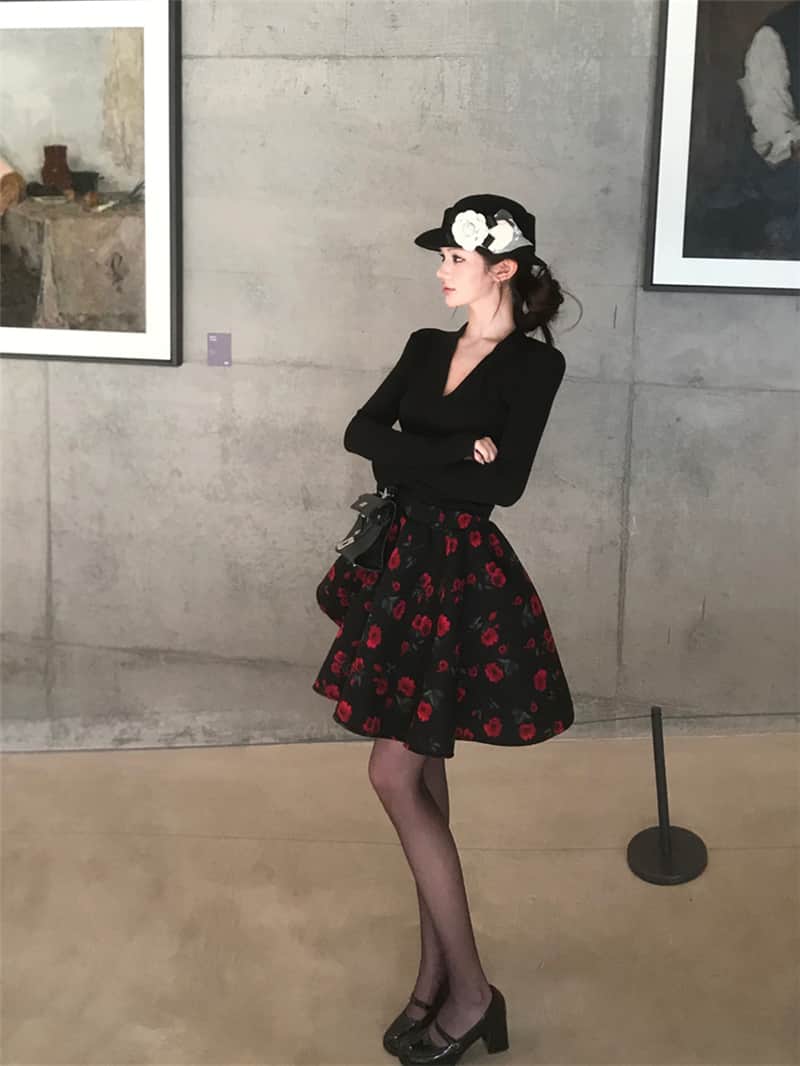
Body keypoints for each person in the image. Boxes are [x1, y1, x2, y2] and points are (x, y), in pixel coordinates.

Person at [312, 193, 579, 1064]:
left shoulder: (535, 367)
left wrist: (420, 458)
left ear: (502, 269)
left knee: (394, 773)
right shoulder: (426, 346)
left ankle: (471, 992)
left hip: (461, 576)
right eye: (441, 258)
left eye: (454, 260)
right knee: (419, 769)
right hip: (400, 565)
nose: (440, 272)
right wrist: (456, 451)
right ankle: (436, 980)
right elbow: (359, 433)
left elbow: (504, 489)